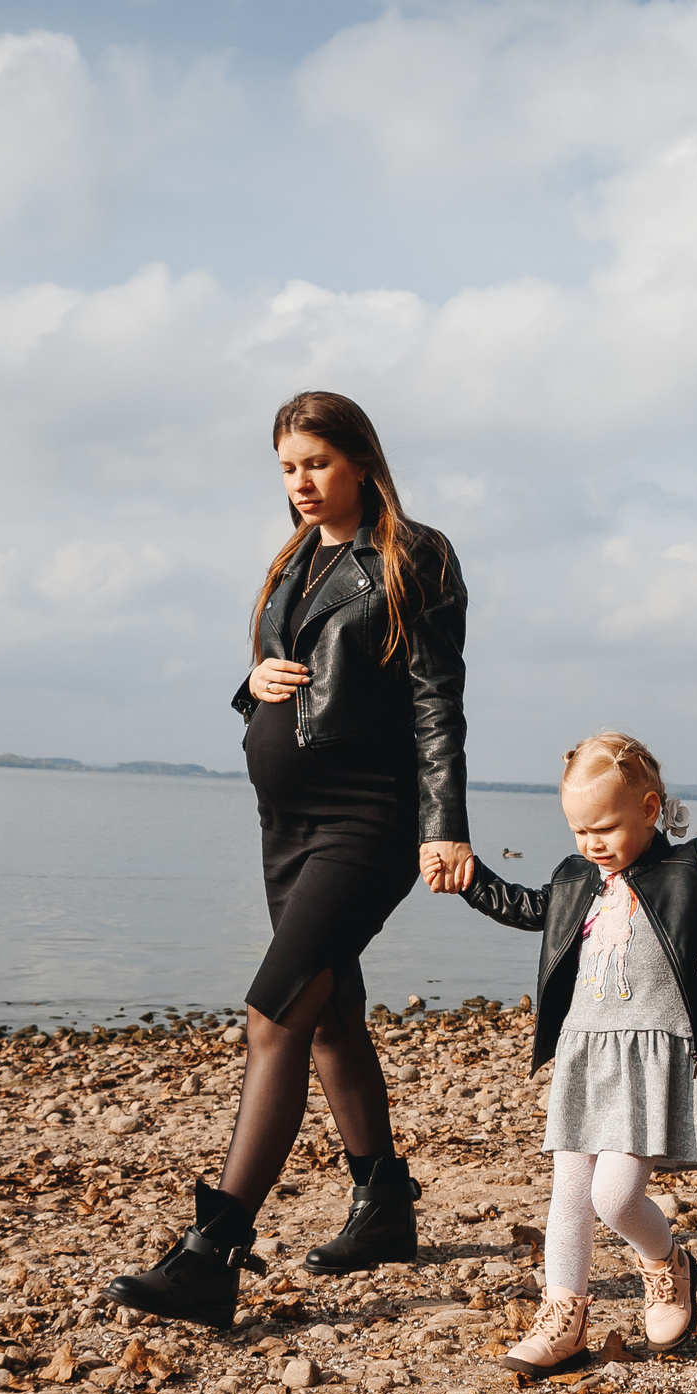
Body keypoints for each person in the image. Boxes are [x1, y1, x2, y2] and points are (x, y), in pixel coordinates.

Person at [106, 391, 473, 1328]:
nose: (300, 483)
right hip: (288, 826)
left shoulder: (411, 555)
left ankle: (214, 1252)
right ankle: (384, 1205)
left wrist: (445, 824)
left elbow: (435, 697)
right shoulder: (291, 562)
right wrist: (252, 685)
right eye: (285, 467)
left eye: (314, 462)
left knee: (272, 1015)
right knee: (328, 1016)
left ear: (357, 459)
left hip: (370, 819)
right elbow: (281, 680)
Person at [438, 732, 697, 1371]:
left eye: (604, 827)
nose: (590, 843)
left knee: (614, 1198)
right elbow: (528, 908)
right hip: (585, 1051)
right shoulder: (576, 878)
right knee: (569, 1192)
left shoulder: (692, 868)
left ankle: (666, 1262)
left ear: (650, 810)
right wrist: (472, 880)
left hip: (652, 1057)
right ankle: (563, 1314)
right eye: (578, 830)